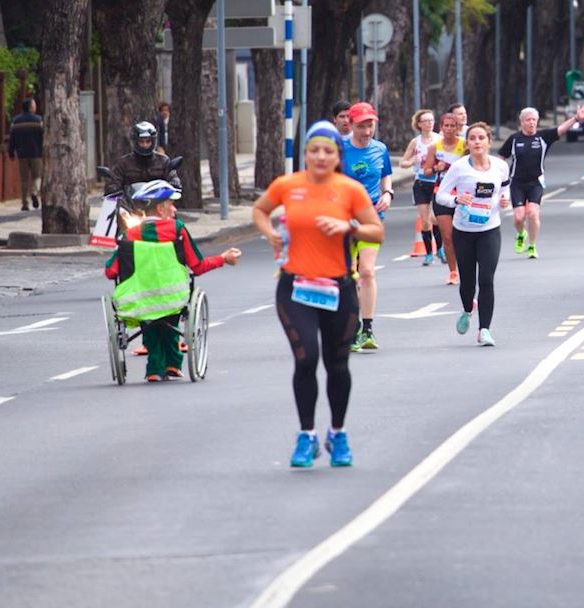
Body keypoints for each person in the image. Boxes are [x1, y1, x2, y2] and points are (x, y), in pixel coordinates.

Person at [252, 120, 384, 468]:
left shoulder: (349, 190)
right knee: (306, 358)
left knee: (337, 364)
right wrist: (271, 234)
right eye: (314, 150)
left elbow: (377, 231)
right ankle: (306, 435)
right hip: (295, 287)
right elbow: (260, 210)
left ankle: (337, 433)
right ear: (305, 154)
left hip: (339, 288)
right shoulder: (287, 185)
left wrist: (349, 226)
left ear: (337, 155)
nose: (321, 157)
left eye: (328, 151)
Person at [104, 179, 240, 382]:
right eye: (171, 204)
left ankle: (154, 368)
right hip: (173, 297)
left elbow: (110, 272)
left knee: (149, 320)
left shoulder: (129, 235)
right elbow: (198, 266)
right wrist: (223, 258)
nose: (174, 209)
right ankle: (172, 364)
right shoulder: (177, 230)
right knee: (169, 317)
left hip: (139, 298)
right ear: (160, 208)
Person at [434, 123, 511, 347]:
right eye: (473, 138)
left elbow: (505, 189)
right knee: (467, 283)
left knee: (486, 279)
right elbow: (442, 196)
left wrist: (504, 201)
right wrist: (457, 200)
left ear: (489, 141)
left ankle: (484, 330)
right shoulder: (459, 168)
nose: (477, 142)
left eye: (481, 138)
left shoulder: (499, 166)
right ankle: (468, 309)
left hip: (489, 230)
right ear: (467, 143)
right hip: (464, 231)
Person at [339, 102, 393, 353]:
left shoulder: (380, 149)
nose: (367, 130)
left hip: (372, 216)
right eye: (362, 125)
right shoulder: (339, 149)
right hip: (344, 219)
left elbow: (386, 174)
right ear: (351, 124)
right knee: (349, 274)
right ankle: (351, 326)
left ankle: (368, 328)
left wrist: (389, 193)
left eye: (370, 124)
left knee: (367, 271)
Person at [498, 105, 584, 258]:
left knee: (532, 214)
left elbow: (561, 129)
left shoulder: (543, 136)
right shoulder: (514, 139)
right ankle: (521, 234)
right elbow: (501, 158)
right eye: (528, 120)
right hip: (517, 182)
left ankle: (532, 246)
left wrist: (576, 118)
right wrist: (497, 177)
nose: (531, 123)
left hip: (535, 182)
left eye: (534, 120)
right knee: (518, 217)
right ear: (521, 122)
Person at [423, 111, 468, 286]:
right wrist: (436, 168)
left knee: (462, 236)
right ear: (441, 128)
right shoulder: (435, 147)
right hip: (441, 194)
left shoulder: (465, 145)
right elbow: (426, 171)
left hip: (462, 194)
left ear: (458, 128)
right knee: (448, 237)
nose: (449, 129)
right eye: (446, 126)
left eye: (453, 126)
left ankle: (466, 267)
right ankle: (453, 272)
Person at [399, 109, 439, 265]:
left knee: (436, 219)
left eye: (431, 120)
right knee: (425, 220)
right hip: (421, 183)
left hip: (436, 183)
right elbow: (403, 162)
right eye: (426, 121)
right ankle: (429, 253)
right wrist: (413, 160)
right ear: (419, 124)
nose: (429, 123)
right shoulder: (416, 142)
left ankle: (440, 248)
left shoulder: (439, 140)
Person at [105, 121, 181, 195]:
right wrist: (112, 187)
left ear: (153, 141)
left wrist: (174, 183)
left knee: (172, 206)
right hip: (131, 204)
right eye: (141, 142)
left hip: (157, 204)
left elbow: (172, 176)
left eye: (148, 141)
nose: (145, 145)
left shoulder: (163, 161)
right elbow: (115, 180)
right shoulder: (124, 163)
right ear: (135, 141)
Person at [7, 98, 43, 211]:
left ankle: (24, 203)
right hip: (36, 154)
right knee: (37, 176)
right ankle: (34, 192)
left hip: (22, 154)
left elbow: (11, 139)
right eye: (34, 105)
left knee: (23, 179)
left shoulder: (16, 121)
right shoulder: (38, 120)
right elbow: (43, 136)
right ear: (31, 107)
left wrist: (11, 152)